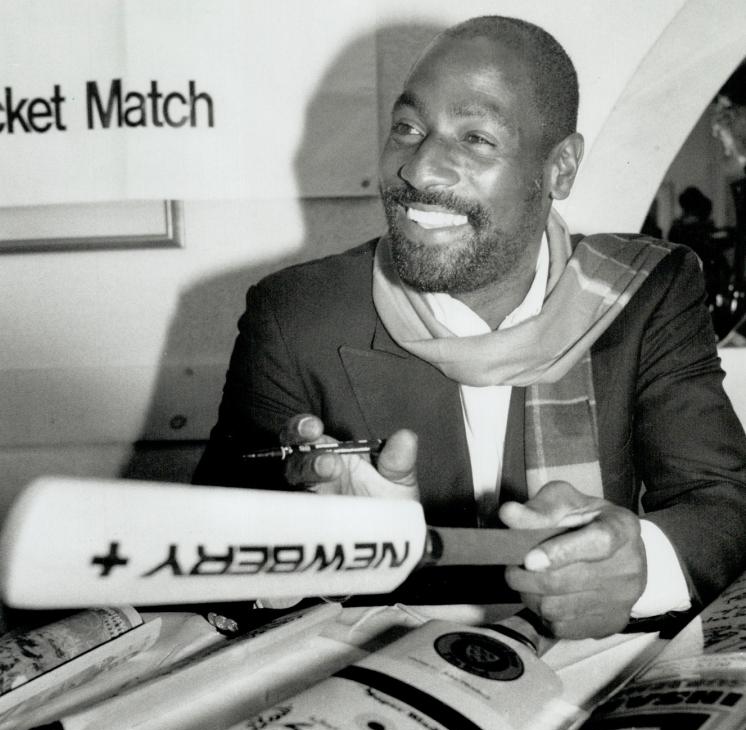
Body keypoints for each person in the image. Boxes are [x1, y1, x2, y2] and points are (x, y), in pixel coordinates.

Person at [195, 15, 746, 640]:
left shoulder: (642, 292)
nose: (422, 170)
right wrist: (326, 554)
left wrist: (637, 564)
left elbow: (723, 503)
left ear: (560, 169)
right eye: (408, 128)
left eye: (477, 138)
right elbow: (209, 564)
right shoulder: (296, 316)